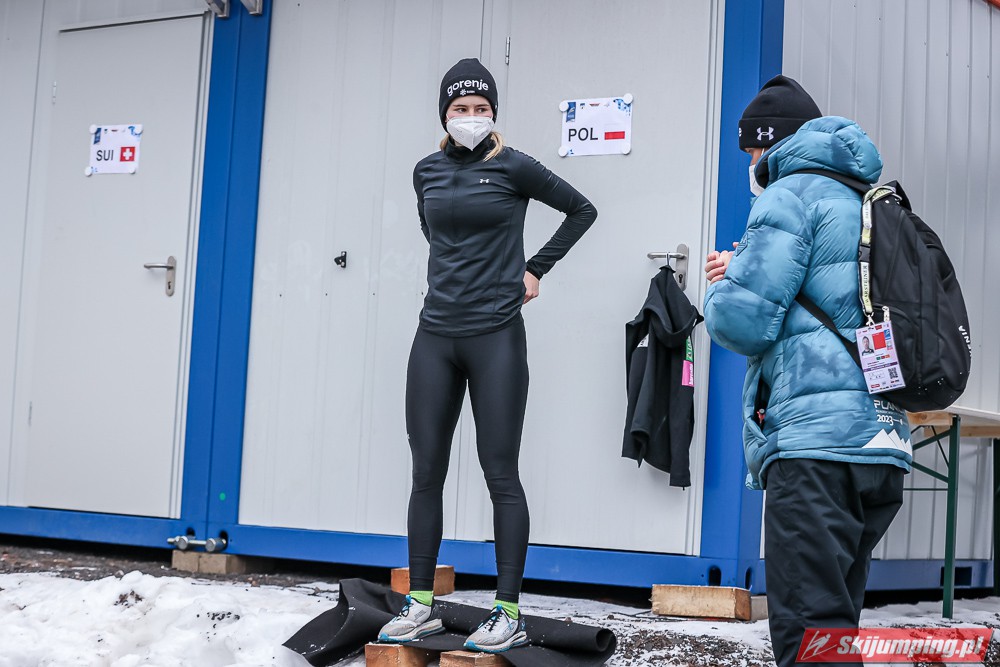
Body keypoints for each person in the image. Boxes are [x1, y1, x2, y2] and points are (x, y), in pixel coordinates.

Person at [377, 58, 597, 653]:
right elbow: (436, 236)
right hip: (435, 335)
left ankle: (507, 611)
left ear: (493, 112)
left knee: (500, 472)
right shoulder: (425, 171)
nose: (470, 117)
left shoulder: (513, 166)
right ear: (444, 115)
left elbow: (582, 209)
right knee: (426, 473)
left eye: (480, 108)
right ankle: (420, 604)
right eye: (460, 108)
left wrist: (534, 268)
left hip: (495, 334)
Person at [702, 75, 912, 667]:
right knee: (834, 629)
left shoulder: (790, 195)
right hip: (880, 443)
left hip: (817, 447)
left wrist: (723, 284)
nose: (750, 164)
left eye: (751, 150)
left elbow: (742, 321)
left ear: (772, 144)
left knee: (809, 636)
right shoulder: (871, 199)